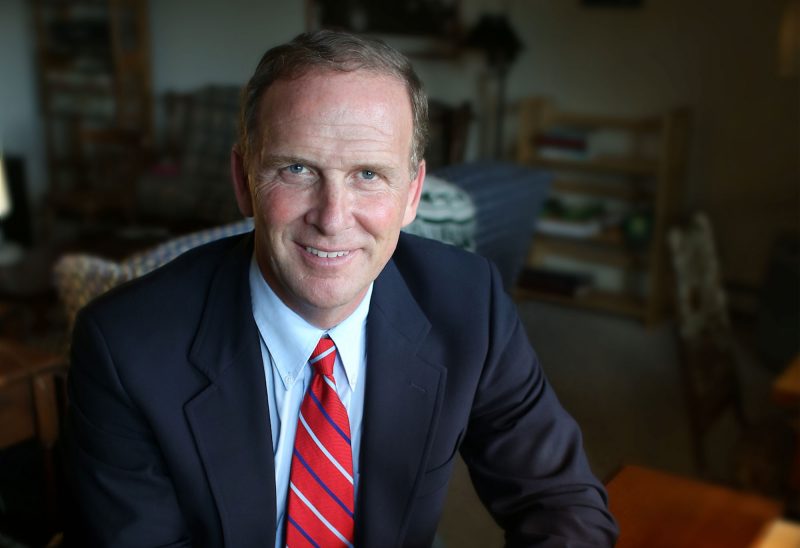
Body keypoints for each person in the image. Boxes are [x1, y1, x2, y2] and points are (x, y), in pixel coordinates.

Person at [65, 30, 618, 547]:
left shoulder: (471, 304)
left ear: (412, 193)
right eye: (298, 169)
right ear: (243, 180)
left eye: (369, 175)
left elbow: (561, 499)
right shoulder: (126, 347)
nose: (333, 218)